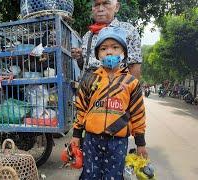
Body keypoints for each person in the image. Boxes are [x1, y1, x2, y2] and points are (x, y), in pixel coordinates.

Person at [70, 26, 148, 179]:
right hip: (91, 139)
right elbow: (81, 109)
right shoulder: (89, 79)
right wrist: (76, 135)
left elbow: (138, 114)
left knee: (113, 176)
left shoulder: (131, 83)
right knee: (90, 174)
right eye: (104, 48)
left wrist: (141, 143)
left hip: (118, 142)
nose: (109, 52)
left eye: (115, 47)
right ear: (98, 55)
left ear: (123, 53)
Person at [71, 0, 142, 79]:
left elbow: (134, 66)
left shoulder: (128, 31)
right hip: (90, 89)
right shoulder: (87, 36)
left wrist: (133, 89)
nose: (100, 9)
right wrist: (79, 58)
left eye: (106, 3)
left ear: (117, 7)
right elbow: (84, 67)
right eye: (97, 4)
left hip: (118, 89)